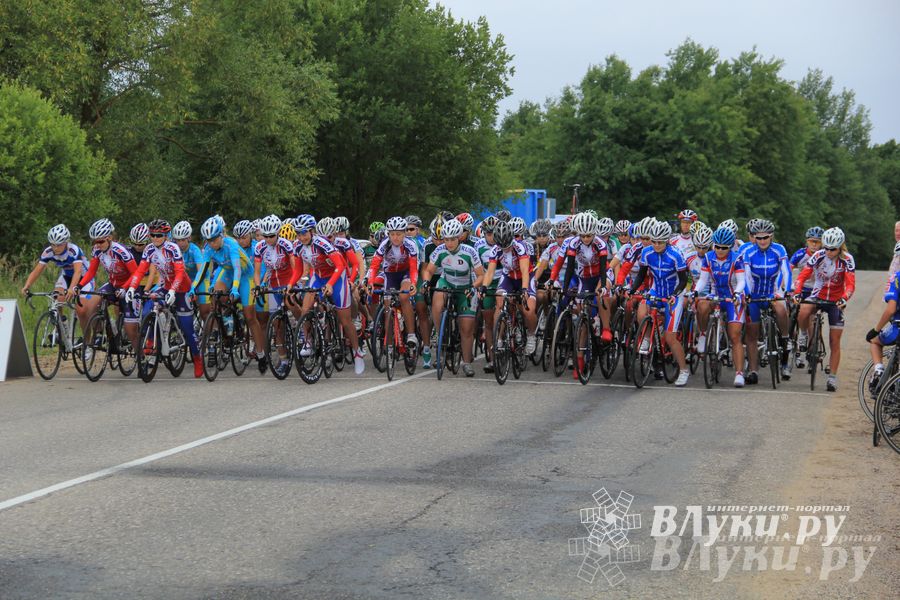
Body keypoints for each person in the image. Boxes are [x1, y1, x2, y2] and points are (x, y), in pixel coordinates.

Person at [125, 220, 203, 377]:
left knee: (187, 327)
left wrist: (174, 290)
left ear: (166, 236)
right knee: (148, 308)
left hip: (181, 287)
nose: (155, 238)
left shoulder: (173, 248)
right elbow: (140, 270)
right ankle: (151, 341)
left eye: (159, 235)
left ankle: (197, 357)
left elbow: (180, 272)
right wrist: (132, 287)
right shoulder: (149, 249)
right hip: (165, 285)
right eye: (152, 235)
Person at [190, 216, 268, 373]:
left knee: (250, 316)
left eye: (214, 239)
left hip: (245, 276)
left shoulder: (231, 244)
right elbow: (204, 270)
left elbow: (238, 269)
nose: (212, 243)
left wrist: (235, 289)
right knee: (216, 296)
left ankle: (261, 354)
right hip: (227, 272)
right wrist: (193, 287)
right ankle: (226, 328)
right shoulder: (209, 248)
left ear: (221, 235)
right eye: (208, 240)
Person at [627, 220, 690, 386]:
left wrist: (675, 295)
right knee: (642, 307)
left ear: (667, 241)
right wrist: (632, 290)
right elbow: (641, 275)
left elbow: (683, 280)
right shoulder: (647, 253)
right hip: (656, 290)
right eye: (653, 241)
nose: (656, 245)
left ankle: (683, 369)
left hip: (673, 294)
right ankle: (647, 337)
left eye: (660, 242)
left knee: (670, 337)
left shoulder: (676, 254)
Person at [793, 227, 855, 392]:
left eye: (832, 249)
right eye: (825, 247)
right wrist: (798, 292)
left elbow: (850, 285)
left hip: (835, 300)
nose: (828, 251)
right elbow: (802, 276)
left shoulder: (847, 260)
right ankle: (803, 335)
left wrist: (844, 298)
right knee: (803, 310)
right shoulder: (818, 256)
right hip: (817, 295)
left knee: (835, 341)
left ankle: (832, 377)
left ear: (840, 247)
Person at [422, 219, 485, 376]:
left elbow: (481, 276)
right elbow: (429, 271)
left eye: (452, 239)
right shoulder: (439, 250)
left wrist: (473, 287)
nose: (449, 243)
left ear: (459, 238)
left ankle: (467, 362)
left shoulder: (469, 252)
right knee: (437, 298)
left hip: (466, 288)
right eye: (446, 239)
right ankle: (439, 332)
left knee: (466, 329)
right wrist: (425, 282)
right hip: (447, 282)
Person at [77, 219, 140, 362]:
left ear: (109, 238)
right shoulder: (96, 251)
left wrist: (125, 288)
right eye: (94, 242)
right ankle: (100, 333)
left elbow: (136, 273)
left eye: (100, 242)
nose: (97, 245)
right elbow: (91, 272)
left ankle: (140, 356)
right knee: (91, 305)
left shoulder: (121, 251)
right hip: (113, 284)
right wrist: (79, 286)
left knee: (131, 330)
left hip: (129, 285)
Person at [692, 226, 747, 387]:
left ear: (730, 247)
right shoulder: (708, 257)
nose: (720, 250)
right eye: (717, 246)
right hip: (715, 294)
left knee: (735, 335)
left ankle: (739, 373)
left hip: (732, 296)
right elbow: (703, 280)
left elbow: (742, 281)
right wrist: (695, 291)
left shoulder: (736, 259)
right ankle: (703, 334)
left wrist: (737, 294)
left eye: (724, 248)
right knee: (701, 305)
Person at [741, 219, 791, 384]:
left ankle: (785, 339)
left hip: (772, 292)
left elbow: (785, 270)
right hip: (755, 295)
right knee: (751, 333)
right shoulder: (749, 251)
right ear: (754, 237)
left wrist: (784, 290)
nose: (762, 241)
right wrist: (748, 294)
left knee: (781, 309)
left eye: (765, 237)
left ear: (771, 236)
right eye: (758, 237)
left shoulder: (779, 249)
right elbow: (747, 276)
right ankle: (753, 370)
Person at [21, 224, 94, 333]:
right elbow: (37, 271)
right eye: (53, 244)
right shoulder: (48, 252)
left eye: (59, 245)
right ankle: (62, 323)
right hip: (66, 276)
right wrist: (27, 286)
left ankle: (89, 341)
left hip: (84, 278)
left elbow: (78, 271)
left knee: (82, 311)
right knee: (57, 298)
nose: (55, 248)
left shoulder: (73, 250)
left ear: (66, 242)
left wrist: (71, 289)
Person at [366, 216, 419, 352]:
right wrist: (370, 282)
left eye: (399, 234)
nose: (395, 237)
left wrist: (413, 283)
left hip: (406, 273)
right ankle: (388, 344)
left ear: (404, 233)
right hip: (390, 274)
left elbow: (413, 268)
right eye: (392, 234)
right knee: (387, 306)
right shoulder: (384, 245)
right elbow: (374, 266)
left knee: (403, 297)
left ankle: (412, 335)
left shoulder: (411, 245)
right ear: (388, 234)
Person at [866, 245, 900, 392]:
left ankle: (879, 370)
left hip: (898, 328)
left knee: (875, 341)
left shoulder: (897, 277)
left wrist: (876, 329)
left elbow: (891, 309)